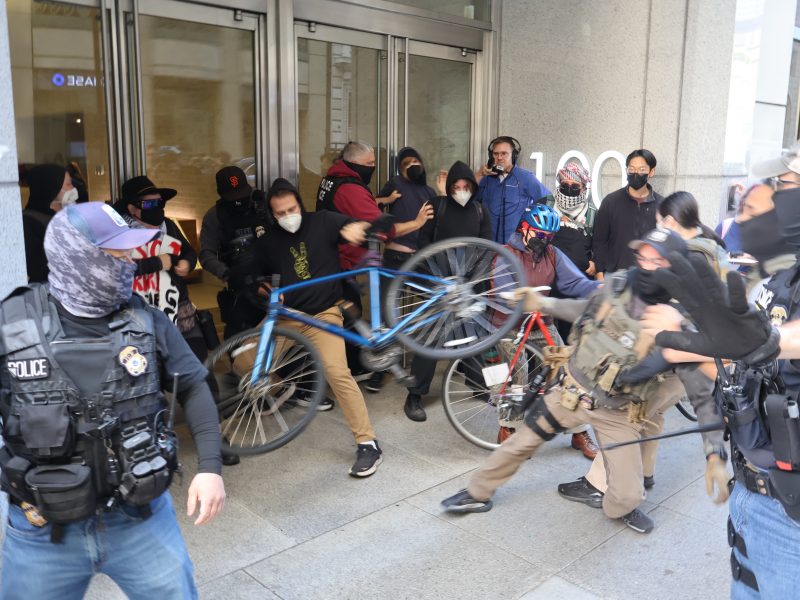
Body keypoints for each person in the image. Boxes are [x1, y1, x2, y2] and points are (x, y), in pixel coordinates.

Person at [0, 202, 225, 599]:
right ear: (76, 257)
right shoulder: (12, 326)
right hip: (43, 530)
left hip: (141, 520)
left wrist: (209, 468)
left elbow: (193, 385)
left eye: (129, 254)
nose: (129, 264)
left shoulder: (147, 320)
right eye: (116, 255)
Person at [441, 229, 696, 534]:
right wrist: (543, 304)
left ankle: (621, 505)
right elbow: (584, 309)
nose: (646, 266)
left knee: (627, 497)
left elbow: (699, 363)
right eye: (643, 257)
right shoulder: (621, 284)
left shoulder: (680, 313)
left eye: (657, 261)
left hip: (617, 412)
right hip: (571, 393)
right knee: (522, 441)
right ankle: (476, 492)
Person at [638, 146, 800, 596]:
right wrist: (697, 350)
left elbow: (773, 342)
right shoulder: (781, 274)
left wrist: (771, 341)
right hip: (754, 493)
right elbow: (747, 367)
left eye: (787, 185)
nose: (778, 196)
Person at [249, 178, 383, 477]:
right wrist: (263, 289)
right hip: (286, 317)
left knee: (338, 373)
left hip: (324, 314)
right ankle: (286, 387)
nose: (288, 216)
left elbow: (355, 225)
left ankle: (368, 443)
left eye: (291, 209)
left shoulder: (322, 221)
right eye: (280, 213)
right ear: (272, 214)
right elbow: (253, 275)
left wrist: (356, 228)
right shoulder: (268, 241)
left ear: (300, 203)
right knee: (244, 361)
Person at [316, 141, 433, 380]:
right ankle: (353, 368)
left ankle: (355, 366)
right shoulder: (350, 188)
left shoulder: (331, 180)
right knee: (349, 316)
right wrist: (417, 223)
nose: (372, 167)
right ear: (353, 163)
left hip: (338, 259)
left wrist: (384, 201)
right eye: (369, 164)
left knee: (349, 313)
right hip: (342, 261)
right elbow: (383, 228)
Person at [493, 204, 601, 458]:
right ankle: (508, 428)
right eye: (540, 234)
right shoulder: (506, 254)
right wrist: (521, 299)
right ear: (525, 228)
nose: (544, 241)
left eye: (549, 236)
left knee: (568, 371)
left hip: (541, 321)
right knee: (518, 374)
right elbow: (502, 291)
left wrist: (599, 291)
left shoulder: (552, 254)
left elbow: (574, 282)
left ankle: (579, 431)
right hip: (509, 324)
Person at [403, 160, 493, 421]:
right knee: (431, 339)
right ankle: (415, 394)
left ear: (473, 187)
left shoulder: (480, 211)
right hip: (439, 285)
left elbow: (487, 248)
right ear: (450, 186)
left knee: (473, 338)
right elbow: (423, 244)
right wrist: (435, 280)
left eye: (466, 187)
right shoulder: (437, 206)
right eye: (456, 187)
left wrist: (475, 283)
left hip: (469, 286)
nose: (461, 191)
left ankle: (478, 384)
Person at [369, 146, 438, 393]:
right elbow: (370, 205)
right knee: (387, 316)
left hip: (420, 260)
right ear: (400, 168)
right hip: (395, 259)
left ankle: (421, 364)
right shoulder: (395, 184)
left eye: (415, 161)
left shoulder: (429, 192)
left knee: (437, 304)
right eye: (406, 163)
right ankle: (381, 369)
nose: (412, 165)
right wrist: (386, 200)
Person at [199, 165, 271, 339]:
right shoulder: (215, 216)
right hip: (240, 286)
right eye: (233, 197)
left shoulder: (263, 207)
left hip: (272, 279)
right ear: (220, 193)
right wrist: (227, 273)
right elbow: (206, 254)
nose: (238, 201)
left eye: (242, 195)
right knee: (237, 339)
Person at [545, 162, 597, 342]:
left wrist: (596, 262)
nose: (569, 189)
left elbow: (601, 242)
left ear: (584, 188)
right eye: (564, 185)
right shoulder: (545, 204)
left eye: (575, 186)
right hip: (546, 277)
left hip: (574, 281)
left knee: (570, 332)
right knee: (542, 329)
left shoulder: (592, 214)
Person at [592, 149, 663, 280]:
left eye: (641, 169)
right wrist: (599, 274)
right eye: (631, 169)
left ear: (651, 171)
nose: (636, 173)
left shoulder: (662, 205)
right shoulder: (611, 201)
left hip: (649, 277)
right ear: (626, 170)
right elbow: (599, 240)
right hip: (614, 276)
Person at [475, 136, 550, 244]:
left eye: (504, 153)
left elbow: (548, 200)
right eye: (496, 154)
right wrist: (479, 175)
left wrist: (533, 227)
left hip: (515, 247)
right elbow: (470, 200)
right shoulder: (485, 178)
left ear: (513, 156)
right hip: (488, 245)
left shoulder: (525, 177)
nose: (499, 157)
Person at [22, 164, 78, 283]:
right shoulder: (29, 223)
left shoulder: (67, 216)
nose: (73, 189)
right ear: (52, 187)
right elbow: (37, 269)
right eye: (68, 185)